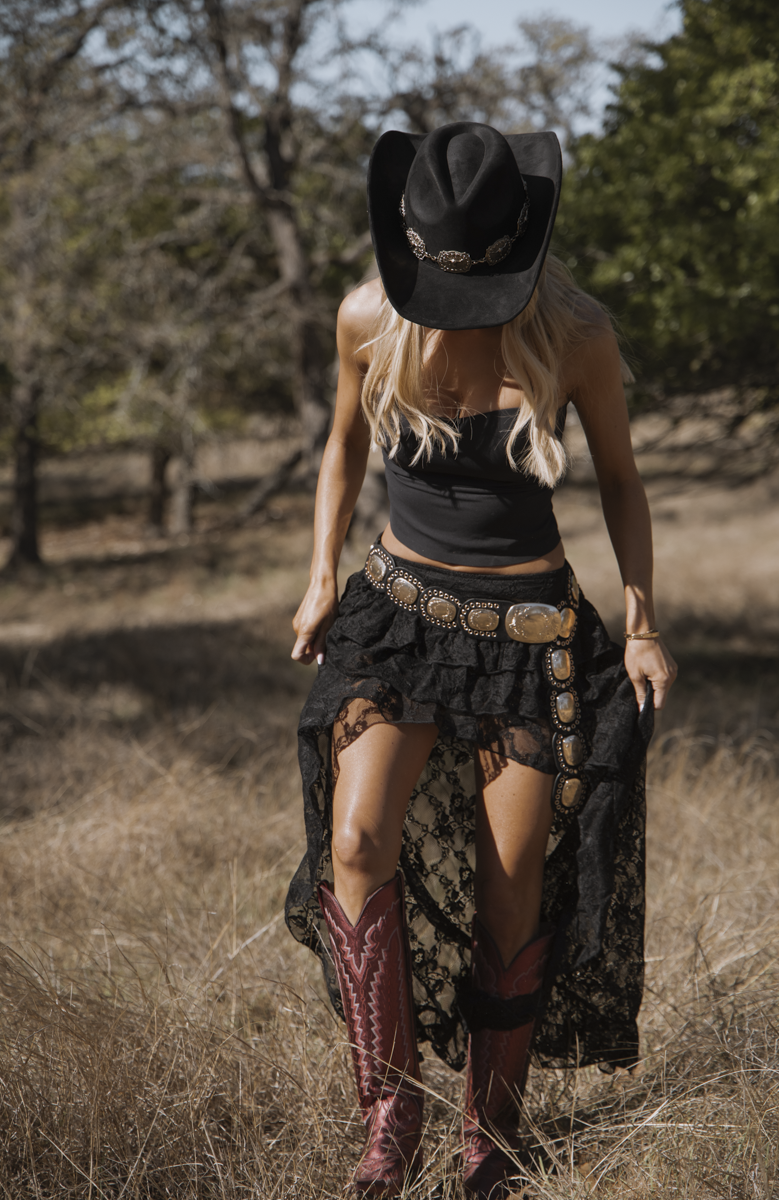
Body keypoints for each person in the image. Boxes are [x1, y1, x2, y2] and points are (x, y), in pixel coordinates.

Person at [285, 122, 677, 1199]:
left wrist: (639, 622)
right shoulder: (366, 315)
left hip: (528, 638)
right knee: (356, 839)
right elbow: (341, 446)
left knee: (514, 893)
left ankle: (487, 1144)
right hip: (400, 613)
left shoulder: (576, 334)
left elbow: (624, 485)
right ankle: (390, 1122)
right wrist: (322, 574)